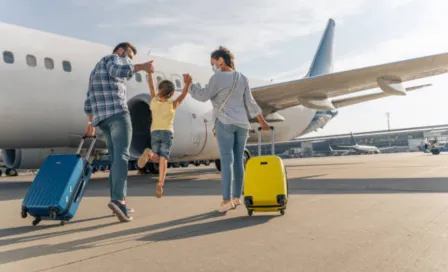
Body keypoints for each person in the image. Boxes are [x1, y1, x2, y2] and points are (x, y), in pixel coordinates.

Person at [188, 46, 270, 213]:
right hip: (242, 125)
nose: (213, 66)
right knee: (239, 161)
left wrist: (190, 86)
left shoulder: (217, 78)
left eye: (213, 62)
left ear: (221, 60)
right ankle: (236, 197)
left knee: (227, 161)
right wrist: (262, 122)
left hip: (224, 123)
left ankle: (226, 200)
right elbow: (251, 103)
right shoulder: (242, 78)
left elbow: (203, 96)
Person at [84, 42, 154, 223]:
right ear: (121, 51)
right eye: (129, 56)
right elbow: (118, 71)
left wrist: (90, 123)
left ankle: (117, 200)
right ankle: (119, 200)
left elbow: (88, 100)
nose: (129, 60)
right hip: (117, 115)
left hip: (103, 120)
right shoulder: (113, 59)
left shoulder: (94, 71)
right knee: (122, 158)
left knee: (115, 160)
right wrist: (142, 67)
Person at [137, 71, 192, 198]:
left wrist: (150, 73)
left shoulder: (154, 101)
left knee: (156, 156)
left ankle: (149, 154)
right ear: (171, 94)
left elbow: (151, 85)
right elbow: (183, 95)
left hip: (155, 132)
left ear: (159, 89)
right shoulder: (172, 104)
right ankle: (160, 182)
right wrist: (187, 83)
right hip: (167, 133)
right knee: (163, 159)